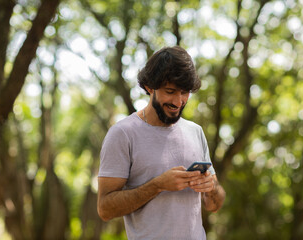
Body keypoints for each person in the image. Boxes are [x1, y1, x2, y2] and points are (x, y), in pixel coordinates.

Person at [97, 46, 226, 240]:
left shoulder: (195, 132)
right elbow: (105, 209)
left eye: (185, 92)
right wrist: (157, 185)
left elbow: (214, 205)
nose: (178, 101)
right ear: (150, 87)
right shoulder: (123, 133)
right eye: (170, 91)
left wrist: (211, 188)